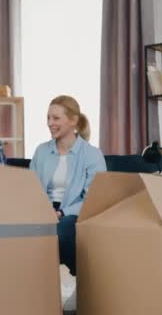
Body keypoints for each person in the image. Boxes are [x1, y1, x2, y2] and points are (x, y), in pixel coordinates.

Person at [30, 95, 106, 278]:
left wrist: (62, 213)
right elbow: (30, 188)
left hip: (73, 213)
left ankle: (74, 281)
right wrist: (43, 210)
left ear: (73, 121)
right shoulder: (42, 151)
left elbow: (94, 198)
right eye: (48, 117)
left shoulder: (91, 155)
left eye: (56, 118)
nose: (50, 123)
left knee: (63, 230)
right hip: (43, 210)